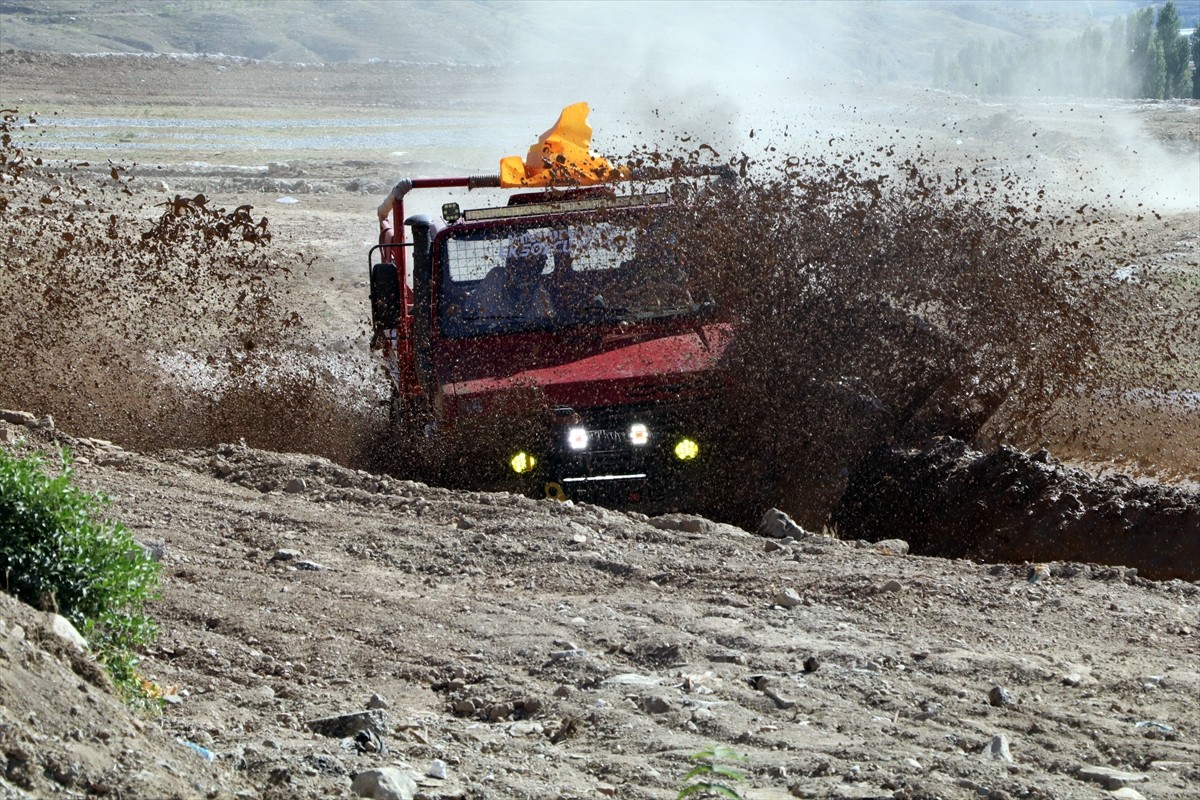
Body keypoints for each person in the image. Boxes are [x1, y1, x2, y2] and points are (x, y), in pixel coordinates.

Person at [464, 232, 555, 324]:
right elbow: (470, 304)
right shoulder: (495, 277)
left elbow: (546, 326)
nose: (521, 266)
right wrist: (462, 296)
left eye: (526, 263)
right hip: (483, 331)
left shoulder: (541, 298)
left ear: (536, 268)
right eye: (514, 259)